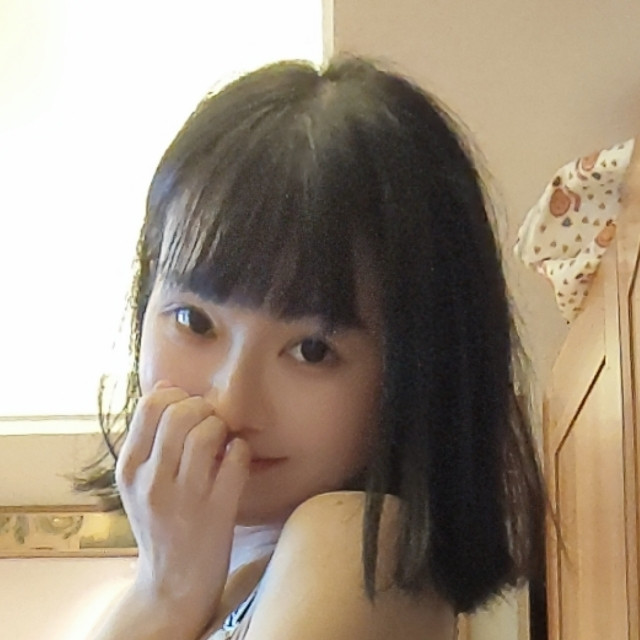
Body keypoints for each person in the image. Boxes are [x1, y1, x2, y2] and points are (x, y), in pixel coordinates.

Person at [83, 55, 546, 640]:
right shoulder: (208, 578)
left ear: (419, 371)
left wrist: (163, 597)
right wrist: (160, 591)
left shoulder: (357, 541)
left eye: (312, 350)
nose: (231, 401)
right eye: (193, 321)